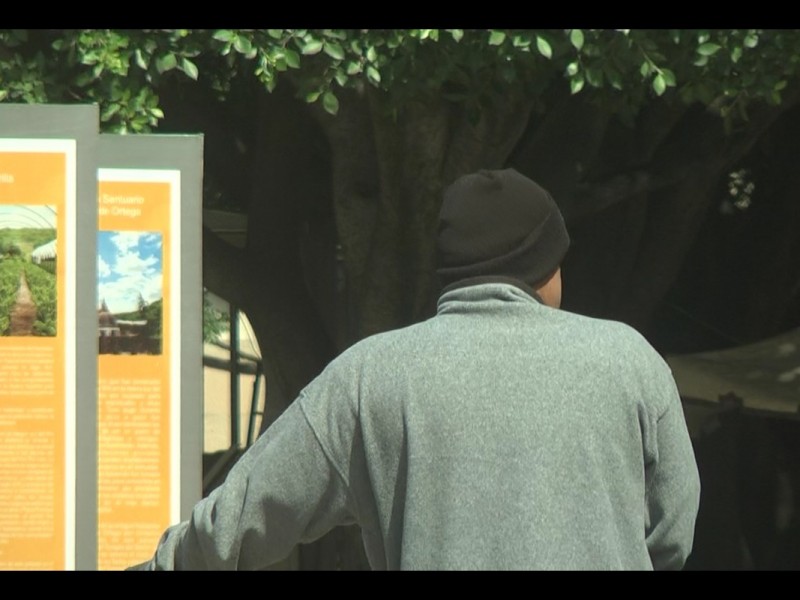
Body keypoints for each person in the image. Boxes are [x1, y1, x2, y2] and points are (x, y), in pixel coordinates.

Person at [132, 168, 701, 570]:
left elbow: (244, 517)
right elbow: (672, 531)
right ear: (545, 266)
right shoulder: (629, 360)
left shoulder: (369, 377)